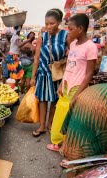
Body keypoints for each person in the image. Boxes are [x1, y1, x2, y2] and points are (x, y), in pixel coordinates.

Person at [46, 14, 98, 152]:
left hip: (77, 88)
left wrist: (78, 94)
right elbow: (69, 66)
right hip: (66, 86)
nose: (68, 31)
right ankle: (59, 143)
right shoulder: (73, 44)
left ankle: (69, 149)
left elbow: (89, 74)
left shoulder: (90, 47)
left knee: (73, 120)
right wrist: (62, 83)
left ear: (80, 29)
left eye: (71, 29)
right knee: (60, 114)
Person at [31, 9, 69, 137]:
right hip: (43, 72)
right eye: (46, 23)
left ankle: (50, 123)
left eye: (52, 23)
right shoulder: (43, 36)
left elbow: (70, 55)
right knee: (42, 100)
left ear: (58, 22)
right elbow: (36, 57)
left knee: (54, 100)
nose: (48, 26)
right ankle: (42, 125)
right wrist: (33, 76)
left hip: (57, 74)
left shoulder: (65, 35)